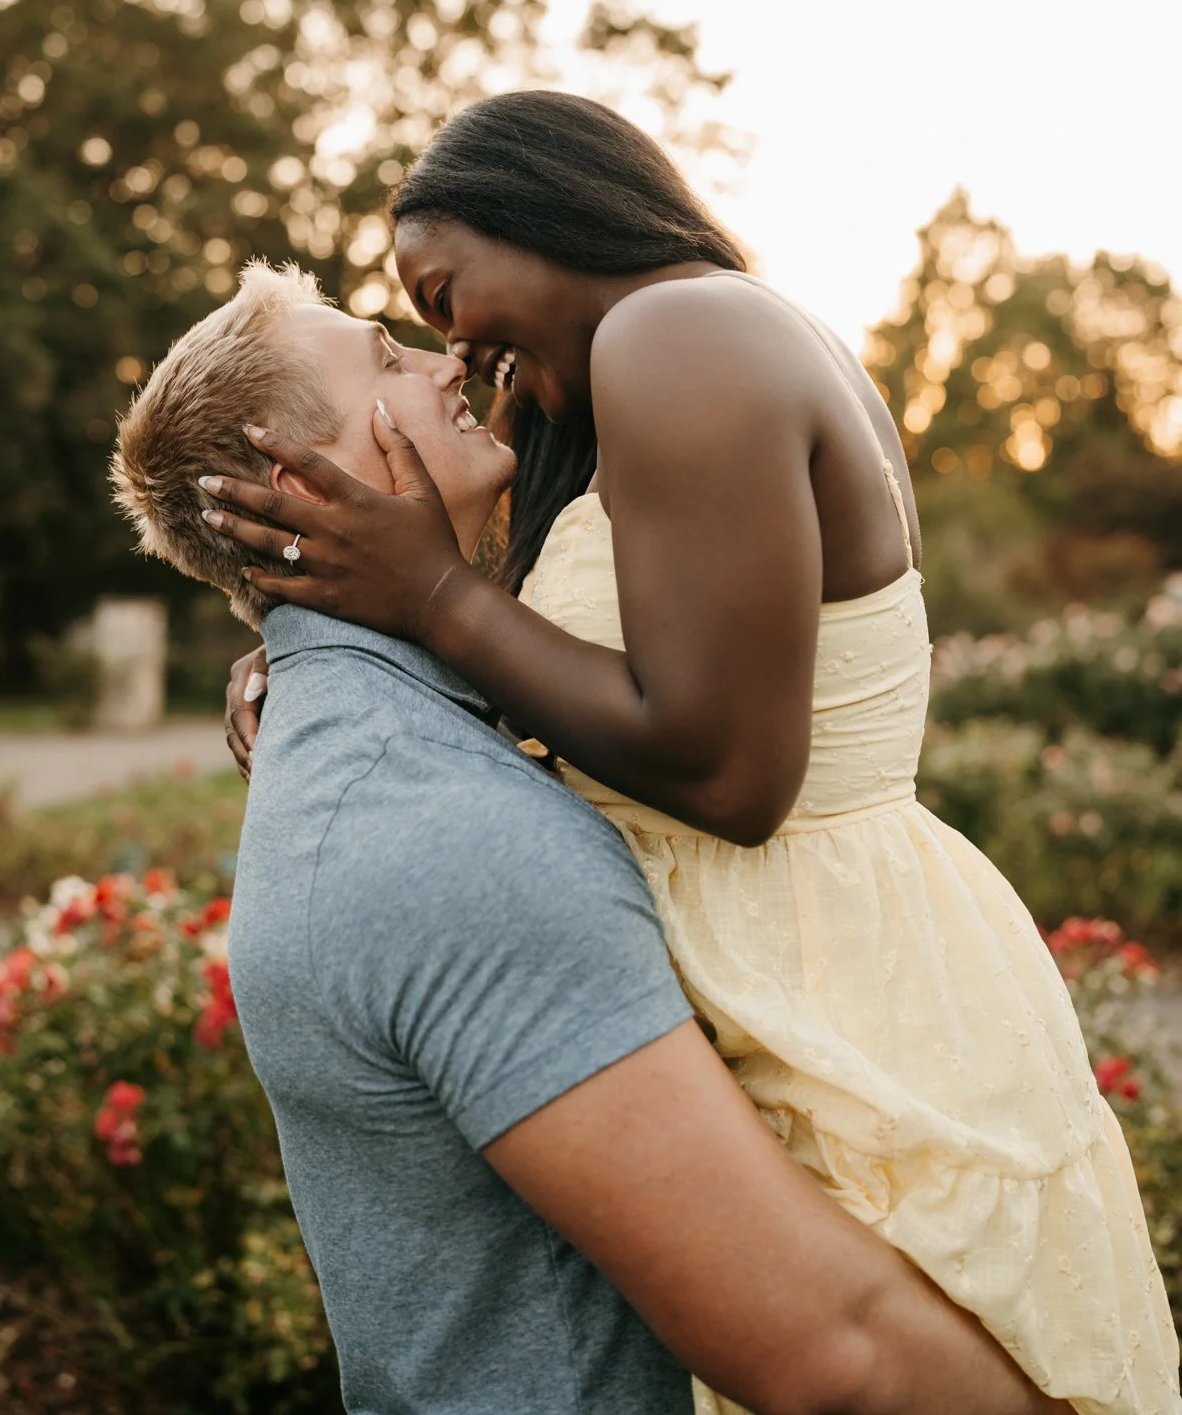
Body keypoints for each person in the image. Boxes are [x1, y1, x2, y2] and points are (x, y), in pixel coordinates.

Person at [207, 93, 1179, 1415]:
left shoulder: (682, 333)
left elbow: (729, 772)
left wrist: (437, 598)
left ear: (538, 210)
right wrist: (334, 639)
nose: (461, 351)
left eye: (444, 297)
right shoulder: (675, 356)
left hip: (842, 996)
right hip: (819, 965)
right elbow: (600, 690)